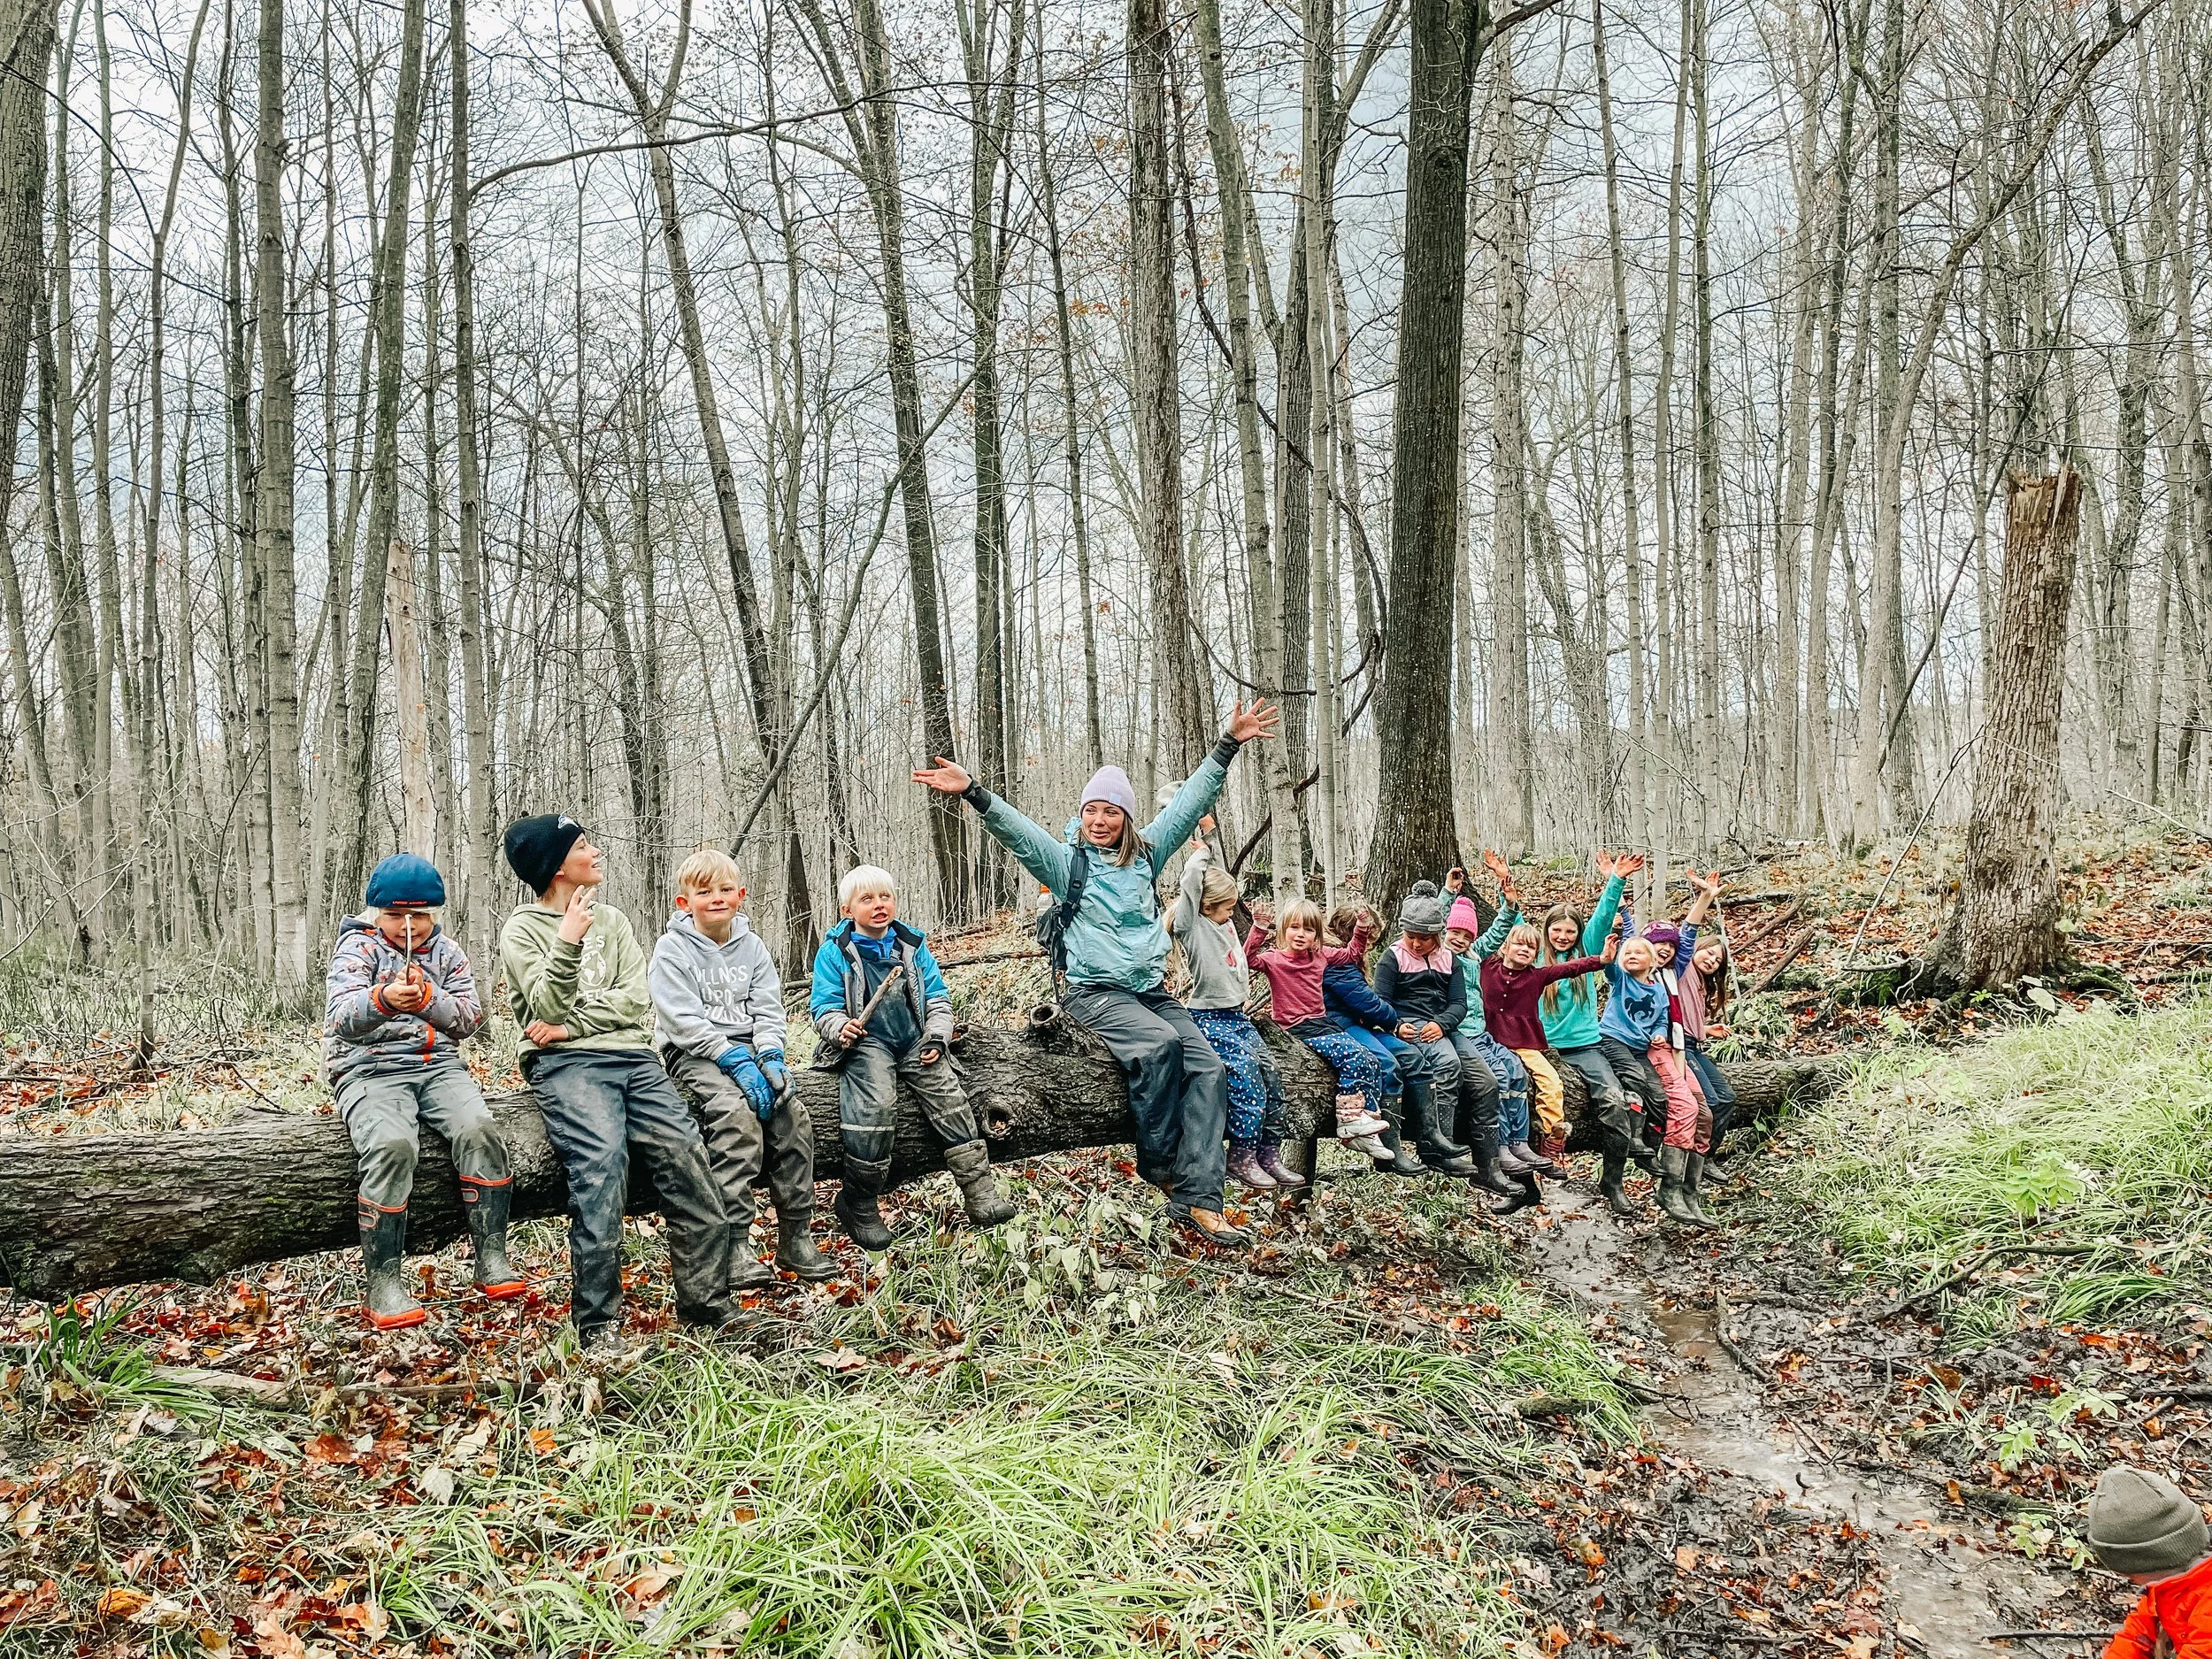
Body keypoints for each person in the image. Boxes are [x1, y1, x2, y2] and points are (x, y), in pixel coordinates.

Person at [914, 701, 1279, 1249]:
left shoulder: (1146, 858)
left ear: (1127, 818)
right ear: (1081, 816)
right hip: (1093, 993)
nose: (1100, 820)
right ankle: (1162, 1166)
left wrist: (1227, 746)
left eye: (1111, 811)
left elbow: (1186, 807)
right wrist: (974, 792)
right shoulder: (1069, 866)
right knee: (1159, 1049)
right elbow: (1022, 836)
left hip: (1151, 991)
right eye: (1091, 811)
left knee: (1207, 1067)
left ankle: (1201, 1199)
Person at [500, 816, 737, 1353]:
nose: (596, 852)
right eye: (583, 846)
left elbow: (634, 1002)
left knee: (685, 1153)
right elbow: (543, 1008)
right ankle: (598, 1325)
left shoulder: (615, 919)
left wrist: (571, 1025)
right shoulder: (523, 931)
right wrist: (566, 943)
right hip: (566, 1068)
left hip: (634, 1058)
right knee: (602, 1169)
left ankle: (709, 1305)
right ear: (557, 866)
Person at [324, 854, 523, 1331]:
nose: (408, 926)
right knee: (393, 1145)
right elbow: (341, 1018)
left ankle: (491, 1255)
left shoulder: (449, 953)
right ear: (377, 912)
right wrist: (383, 1001)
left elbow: (472, 1019)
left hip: (438, 1066)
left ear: (435, 913)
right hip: (369, 1069)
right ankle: (384, 1281)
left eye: (418, 915)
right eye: (395, 916)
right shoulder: (357, 949)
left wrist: (431, 1001)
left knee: (480, 1130)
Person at [648, 849, 833, 1288]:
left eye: (725, 890)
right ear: (683, 902)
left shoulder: (752, 946)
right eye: (704, 891)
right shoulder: (671, 950)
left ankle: (795, 1235)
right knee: (736, 1116)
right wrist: (729, 1057)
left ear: (741, 895)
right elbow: (680, 1018)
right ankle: (734, 1241)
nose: (716, 898)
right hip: (694, 1052)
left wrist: (769, 1055)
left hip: (752, 1047)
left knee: (792, 1115)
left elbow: (768, 1007)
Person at [809, 865, 1016, 1249]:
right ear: (846, 910)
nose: (878, 905)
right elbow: (823, 1006)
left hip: (913, 1038)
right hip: (865, 1041)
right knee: (874, 1108)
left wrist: (937, 1036)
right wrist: (840, 1027)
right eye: (866, 900)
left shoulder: (912, 946)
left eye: (885, 897)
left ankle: (980, 1193)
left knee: (951, 1099)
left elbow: (937, 998)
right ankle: (860, 1201)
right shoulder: (834, 952)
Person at [1171, 822, 1307, 1192]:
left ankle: (1268, 1152)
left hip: (1237, 1017)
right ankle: (1241, 1154)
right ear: (1206, 906)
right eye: (1227, 908)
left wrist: (1213, 839)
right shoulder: (1193, 926)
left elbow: (1223, 878)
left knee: (1270, 1072)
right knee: (1245, 1074)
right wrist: (1199, 854)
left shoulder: (1225, 924)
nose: (1232, 915)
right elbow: (1191, 885)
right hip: (1207, 1018)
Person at [1537, 850, 1648, 1204]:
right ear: (1546, 931)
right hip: (1541, 1047)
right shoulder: (1536, 957)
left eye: (1570, 931)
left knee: (1615, 1102)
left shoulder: (1587, 952)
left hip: (1585, 1046)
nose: (1564, 936)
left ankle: (1613, 1182)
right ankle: (1526, 1184)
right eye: (1557, 929)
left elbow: (1601, 917)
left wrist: (1616, 879)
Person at [1245, 900, 1396, 1161]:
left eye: (1308, 930)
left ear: (1317, 934)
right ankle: (1348, 1119)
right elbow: (1246, 959)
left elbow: (1352, 955)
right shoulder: (1275, 960)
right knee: (1354, 1057)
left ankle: (1366, 1129)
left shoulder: (1321, 956)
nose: (1301, 934)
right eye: (1294, 928)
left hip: (1321, 1022)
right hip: (1297, 1027)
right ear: (1283, 930)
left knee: (1372, 1061)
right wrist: (1259, 927)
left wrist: (1361, 926)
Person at [1479, 926, 1615, 1211]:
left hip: (1525, 1044)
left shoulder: (1537, 976)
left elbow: (1570, 968)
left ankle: (1551, 1140)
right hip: (1489, 1041)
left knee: (1551, 1082)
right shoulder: (1486, 965)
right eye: (1519, 945)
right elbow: (1473, 943)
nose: (1524, 951)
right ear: (1505, 946)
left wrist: (1601, 960)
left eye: (1531, 949)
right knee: (1497, 1084)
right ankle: (1496, 1157)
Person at [1600, 926, 1714, 1229]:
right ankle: (1644, 1152)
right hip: (1616, 1041)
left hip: (1648, 1047)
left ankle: (1683, 1188)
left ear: (1654, 963)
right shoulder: (1621, 978)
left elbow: (1663, 1018)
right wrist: (1610, 956)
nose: (1633, 956)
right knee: (1641, 1085)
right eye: (1630, 953)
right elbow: (1612, 969)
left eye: (1641, 953)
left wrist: (1660, 1034)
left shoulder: (1661, 988)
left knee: (1666, 1099)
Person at [1367, 884, 1481, 1177]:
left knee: (1465, 1069)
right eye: (1411, 937)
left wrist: (1442, 1023)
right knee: (1447, 1063)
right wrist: (1394, 1025)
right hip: (1406, 1022)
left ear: (1437, 935)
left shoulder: (1449, 959)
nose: (1416, 944)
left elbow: (1459, 1004)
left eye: (1425, 938)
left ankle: (1441, 1143)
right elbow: (1380, 1001)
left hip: (1438, 1023)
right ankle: (1434, 1144)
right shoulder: (1393, 957)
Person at [1439, 856, 1534, 1194]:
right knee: (1497, 1079)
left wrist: (1508, 904)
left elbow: (1496, 935)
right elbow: (1435, 922)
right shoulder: (1441, 955)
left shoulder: (1474, 954)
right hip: (1462, 1034)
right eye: (1455, 931)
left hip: (1483, 1033)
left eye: (1466, 934)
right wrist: (1449, 893)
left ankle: (1519, 1141)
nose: (1460, 938)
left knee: (1517, 1072)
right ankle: (1502, 1148)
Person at [1322, 904, 1429, 1177]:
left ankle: (1429, 1140)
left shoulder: (1347, 958)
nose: (1370, 946)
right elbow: (1365, 1001)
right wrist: (1395, 1021)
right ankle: (1389, 1149)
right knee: (1386, 1063)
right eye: (1370, 939)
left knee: (1411, 1055)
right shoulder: (1336, 959)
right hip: (1338, 1024)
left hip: (1357, 1022)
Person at [2083, 1463, 2212, 1657]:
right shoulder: (2166, 1589)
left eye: (2129, 1575)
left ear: (2147, 1565)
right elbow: (2136, 1636)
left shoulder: (2206, 1603)